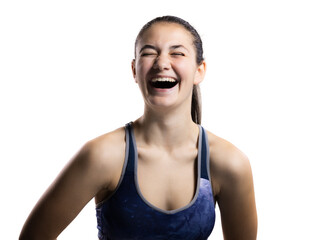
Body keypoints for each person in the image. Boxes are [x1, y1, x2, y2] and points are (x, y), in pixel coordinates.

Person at [19, 16, 257, 240]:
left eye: (177, 53)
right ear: (134, 70)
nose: (162, 62)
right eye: (149, 53)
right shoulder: (103, 155)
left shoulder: (230, 163)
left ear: (199, 70)